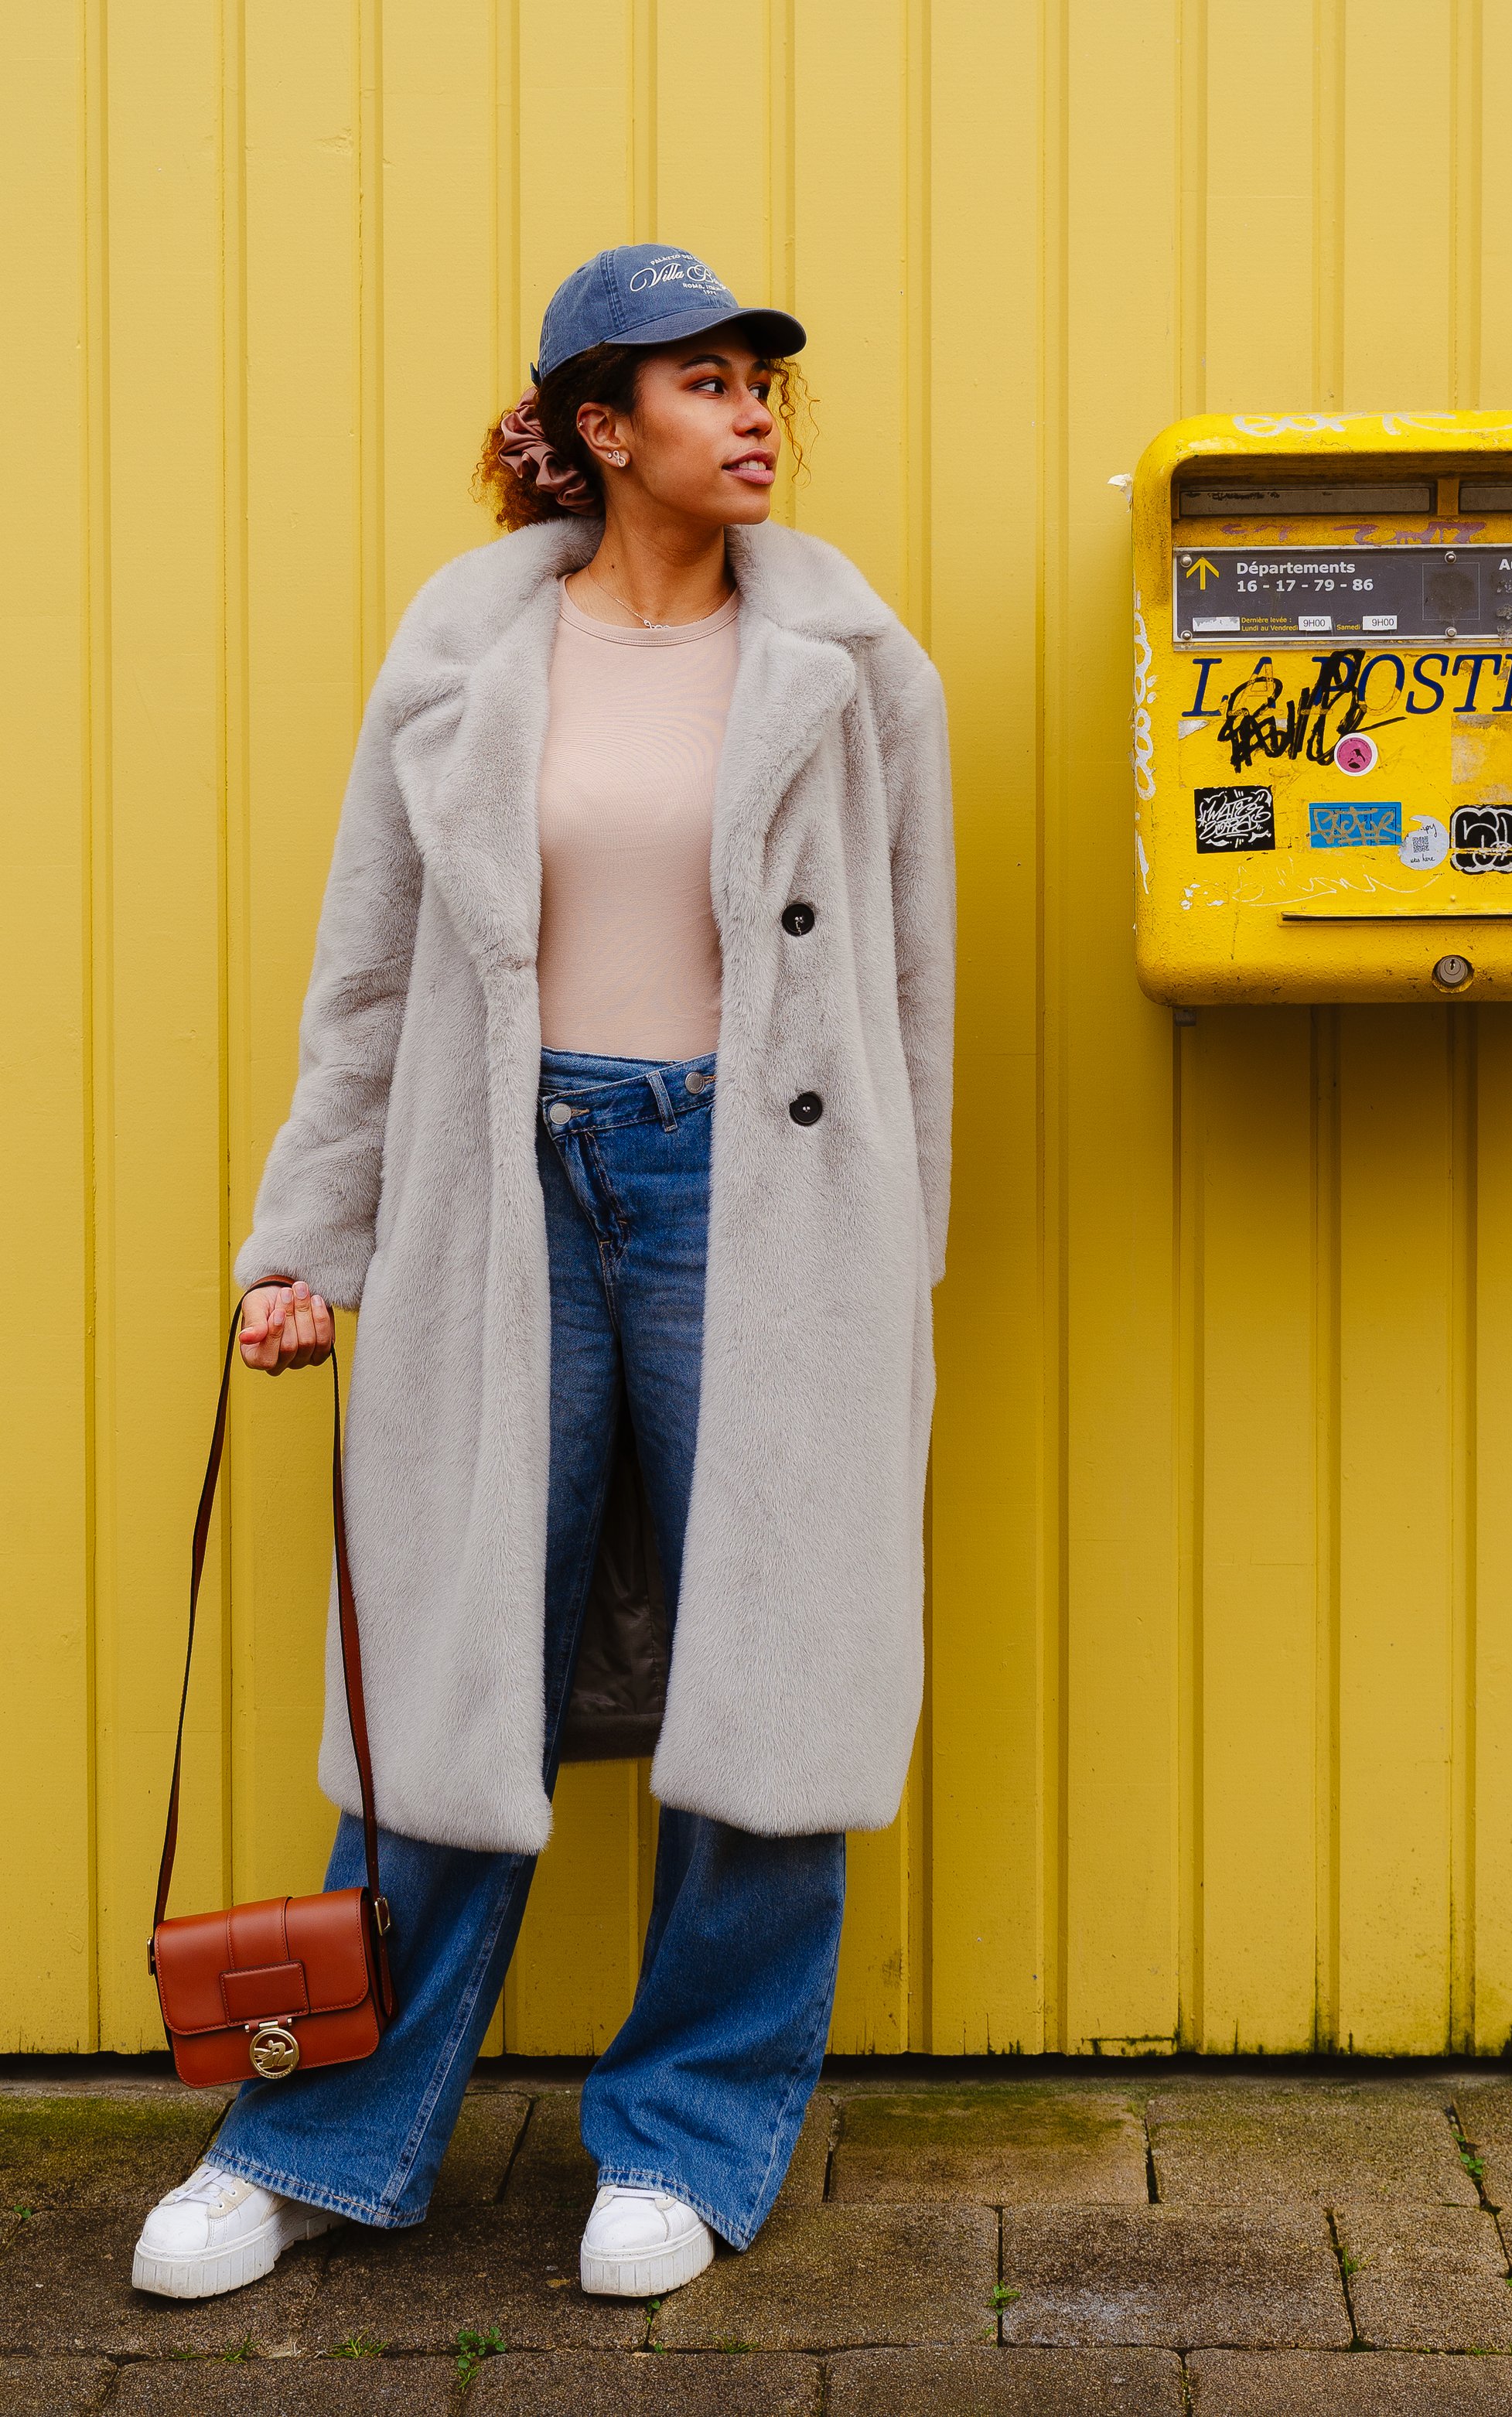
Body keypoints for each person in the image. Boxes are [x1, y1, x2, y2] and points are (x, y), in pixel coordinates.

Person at [131, 244, 954, 2303]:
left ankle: (686, 2132)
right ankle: (319, 2134)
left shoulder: (855, 661)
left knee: (769, 1680)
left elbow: (910, 989)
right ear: (604, 424)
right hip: (496, 1184)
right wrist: (307, 1239)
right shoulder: (466, 649)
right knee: (444, 1670)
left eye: (767, 379)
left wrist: (889, 1251)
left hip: (755, 1205)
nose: (756, 411)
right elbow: (374, 974)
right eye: (706, 381)